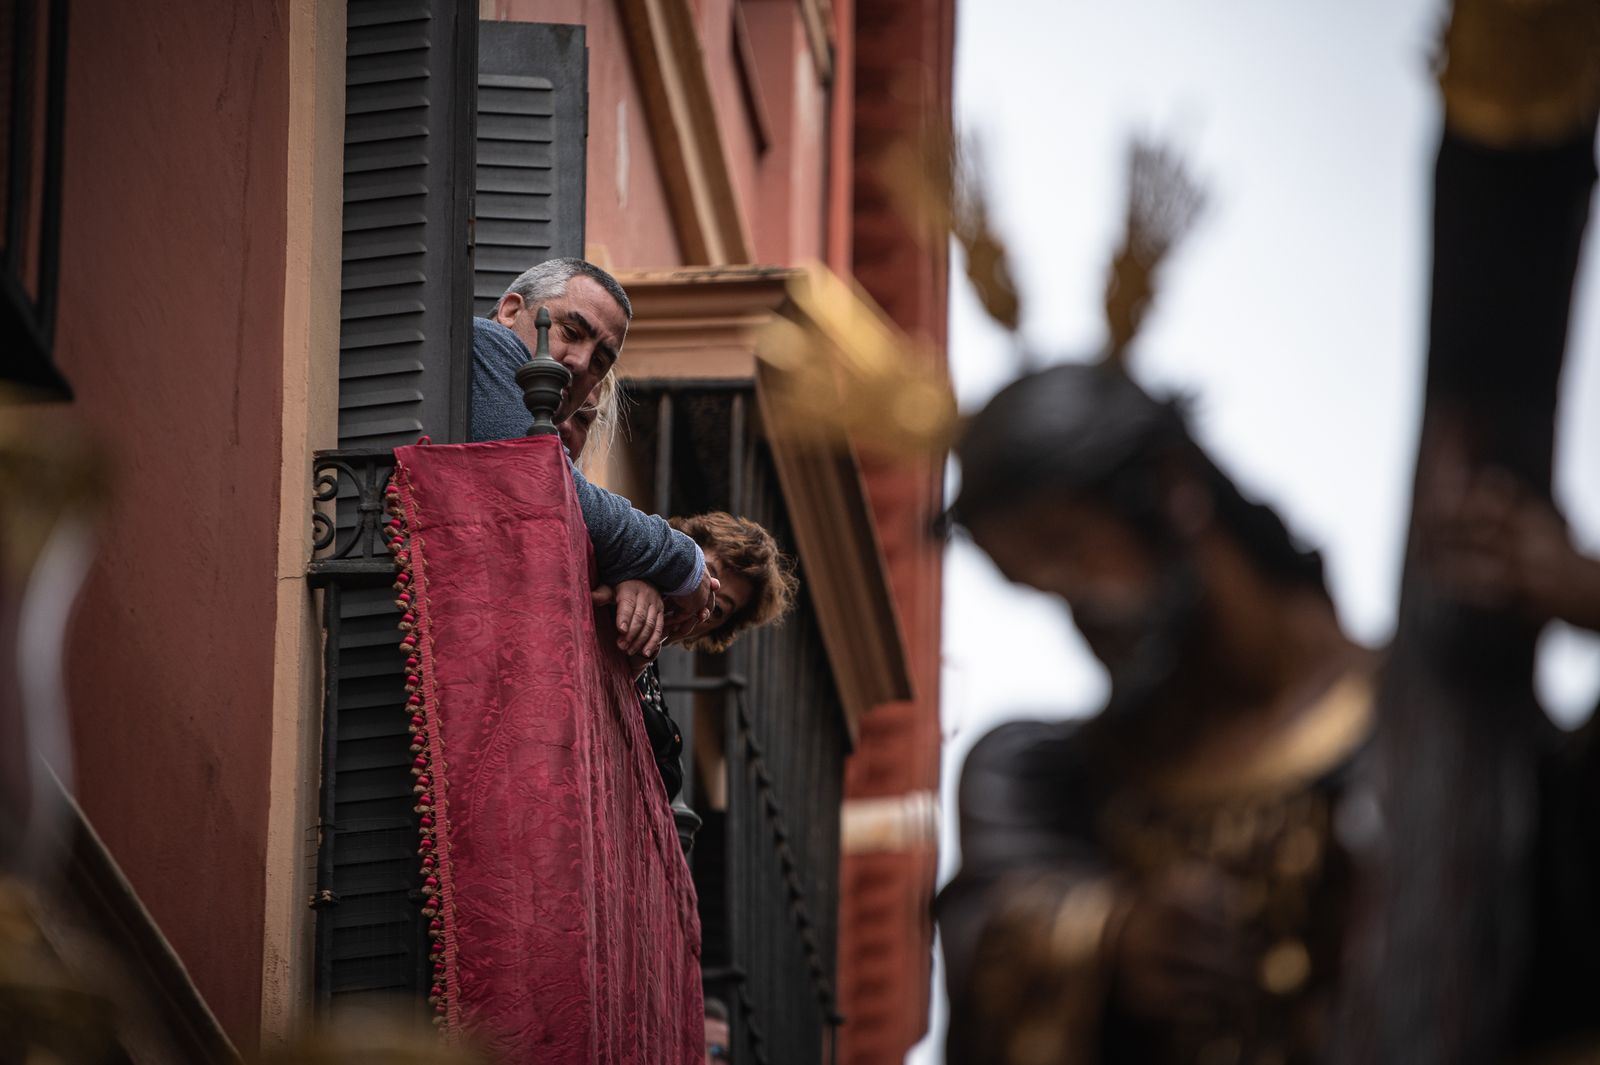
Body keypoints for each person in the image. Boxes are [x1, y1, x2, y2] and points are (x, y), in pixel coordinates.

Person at [936, 362, 1376, 1065]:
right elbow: (992, 943)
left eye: (1070, 549)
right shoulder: (1046, 781)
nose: (1075, 607)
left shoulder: (1403, 726)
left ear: (1174, 490)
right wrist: (1111, 938)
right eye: (1035, 585)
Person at [468, 258, 718, 641]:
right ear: (510, 310)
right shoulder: (486, 341)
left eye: (601, 360)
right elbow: (548, 490)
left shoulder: (535, 421)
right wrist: (683, 562)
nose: (581, 363)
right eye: (569, 331)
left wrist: (631, 577)